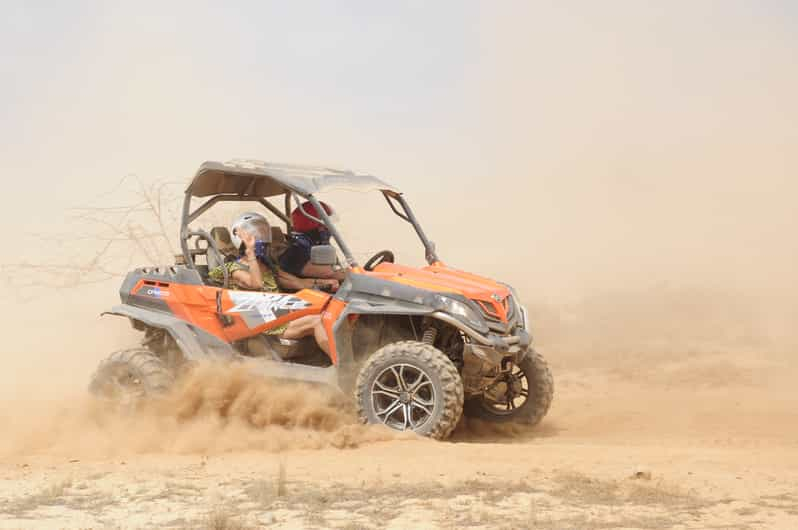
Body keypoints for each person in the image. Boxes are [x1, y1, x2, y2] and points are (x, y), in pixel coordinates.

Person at [209, 212, 338, 354]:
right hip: (265, 324)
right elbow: (255, 283)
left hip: (283, 316)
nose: (261, 241)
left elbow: (296, 282)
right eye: (255, 237)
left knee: (330, 313)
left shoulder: (269, 267)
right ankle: (343, 368)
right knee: (317, 321)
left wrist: (324, 282)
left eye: (263, 236)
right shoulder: (234, 269)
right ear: (240, 240)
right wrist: (251, 253)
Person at [279, 201, 346, 282]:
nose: (329, 229)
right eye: (326, 226)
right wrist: (352, 273)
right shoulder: (298, 249)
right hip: (302, 293)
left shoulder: (314, 244)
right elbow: (329, 273)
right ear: (317, 227)